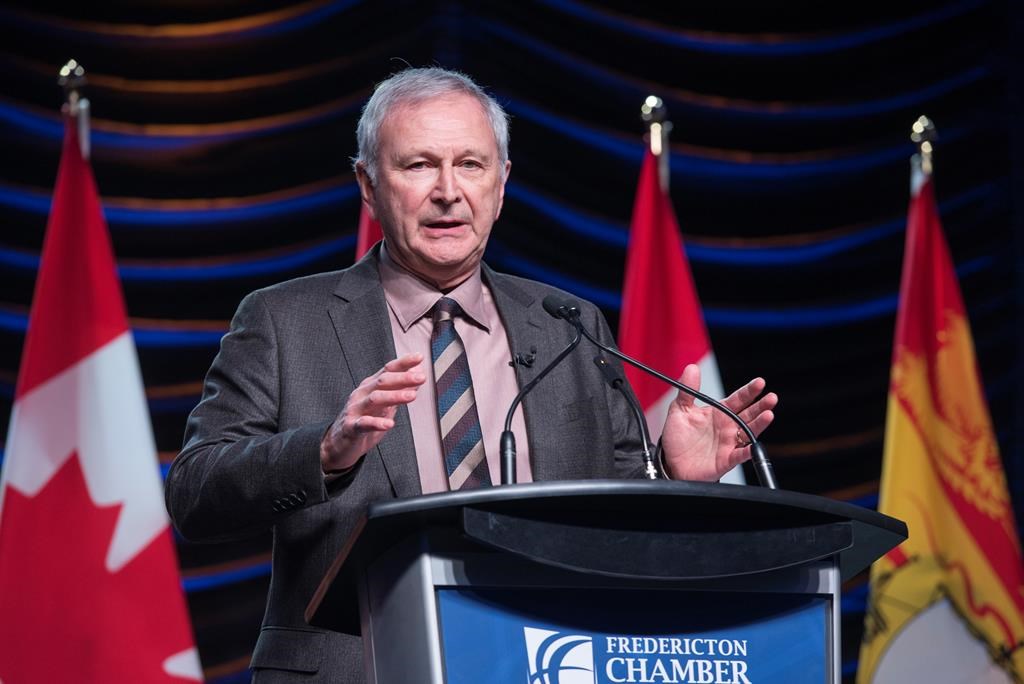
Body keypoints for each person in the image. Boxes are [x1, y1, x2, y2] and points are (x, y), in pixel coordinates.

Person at [165, 67, 776, 683]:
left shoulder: (567, 323)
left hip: (545, 660)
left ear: (502, 184)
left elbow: (609, 519)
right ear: (368, 185)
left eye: (471, 165)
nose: (448, 191)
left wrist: (671, 477)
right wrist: (323, 453)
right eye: (419, 165)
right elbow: (194, 495)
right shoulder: (283, 320)